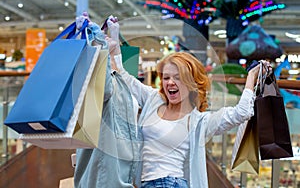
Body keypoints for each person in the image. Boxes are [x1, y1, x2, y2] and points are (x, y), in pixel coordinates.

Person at [107, 17, 271, 188]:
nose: (170, 82)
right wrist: (115, 39)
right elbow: (124, 78)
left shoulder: (199, 121)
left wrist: (251, 77)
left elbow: (242, 112)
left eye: (178, 78)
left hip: (172, 183)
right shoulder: (154, 99)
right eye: (166, 77)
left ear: (191, 83)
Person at [73, 15, 140, 188]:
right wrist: (95, 40)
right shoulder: (96, 78)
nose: (106, 34)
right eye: (104, 34)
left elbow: (121, 72)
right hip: (103, 177)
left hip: (122, 175)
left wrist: (114, 39)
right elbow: (104, 88)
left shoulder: (119, 79)